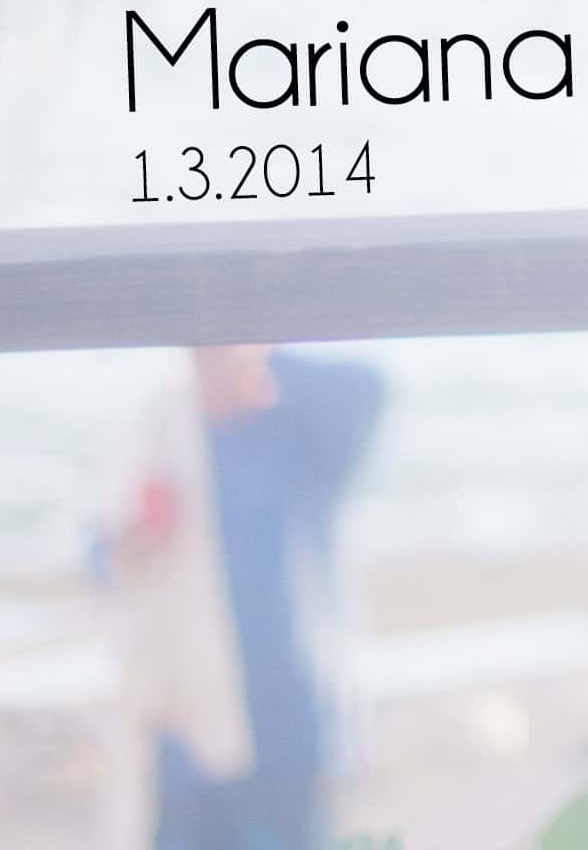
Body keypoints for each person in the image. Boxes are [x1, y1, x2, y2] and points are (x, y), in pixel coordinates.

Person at [99, 346, 391, 850]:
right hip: (186, 722)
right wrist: (140, 534)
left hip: (287, 725)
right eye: (201, 356)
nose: (209, 369)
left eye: (220, 355)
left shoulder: (298, 436)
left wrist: (260, 359)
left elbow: (370, 387)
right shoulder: (162, 430)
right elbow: (102, 561)